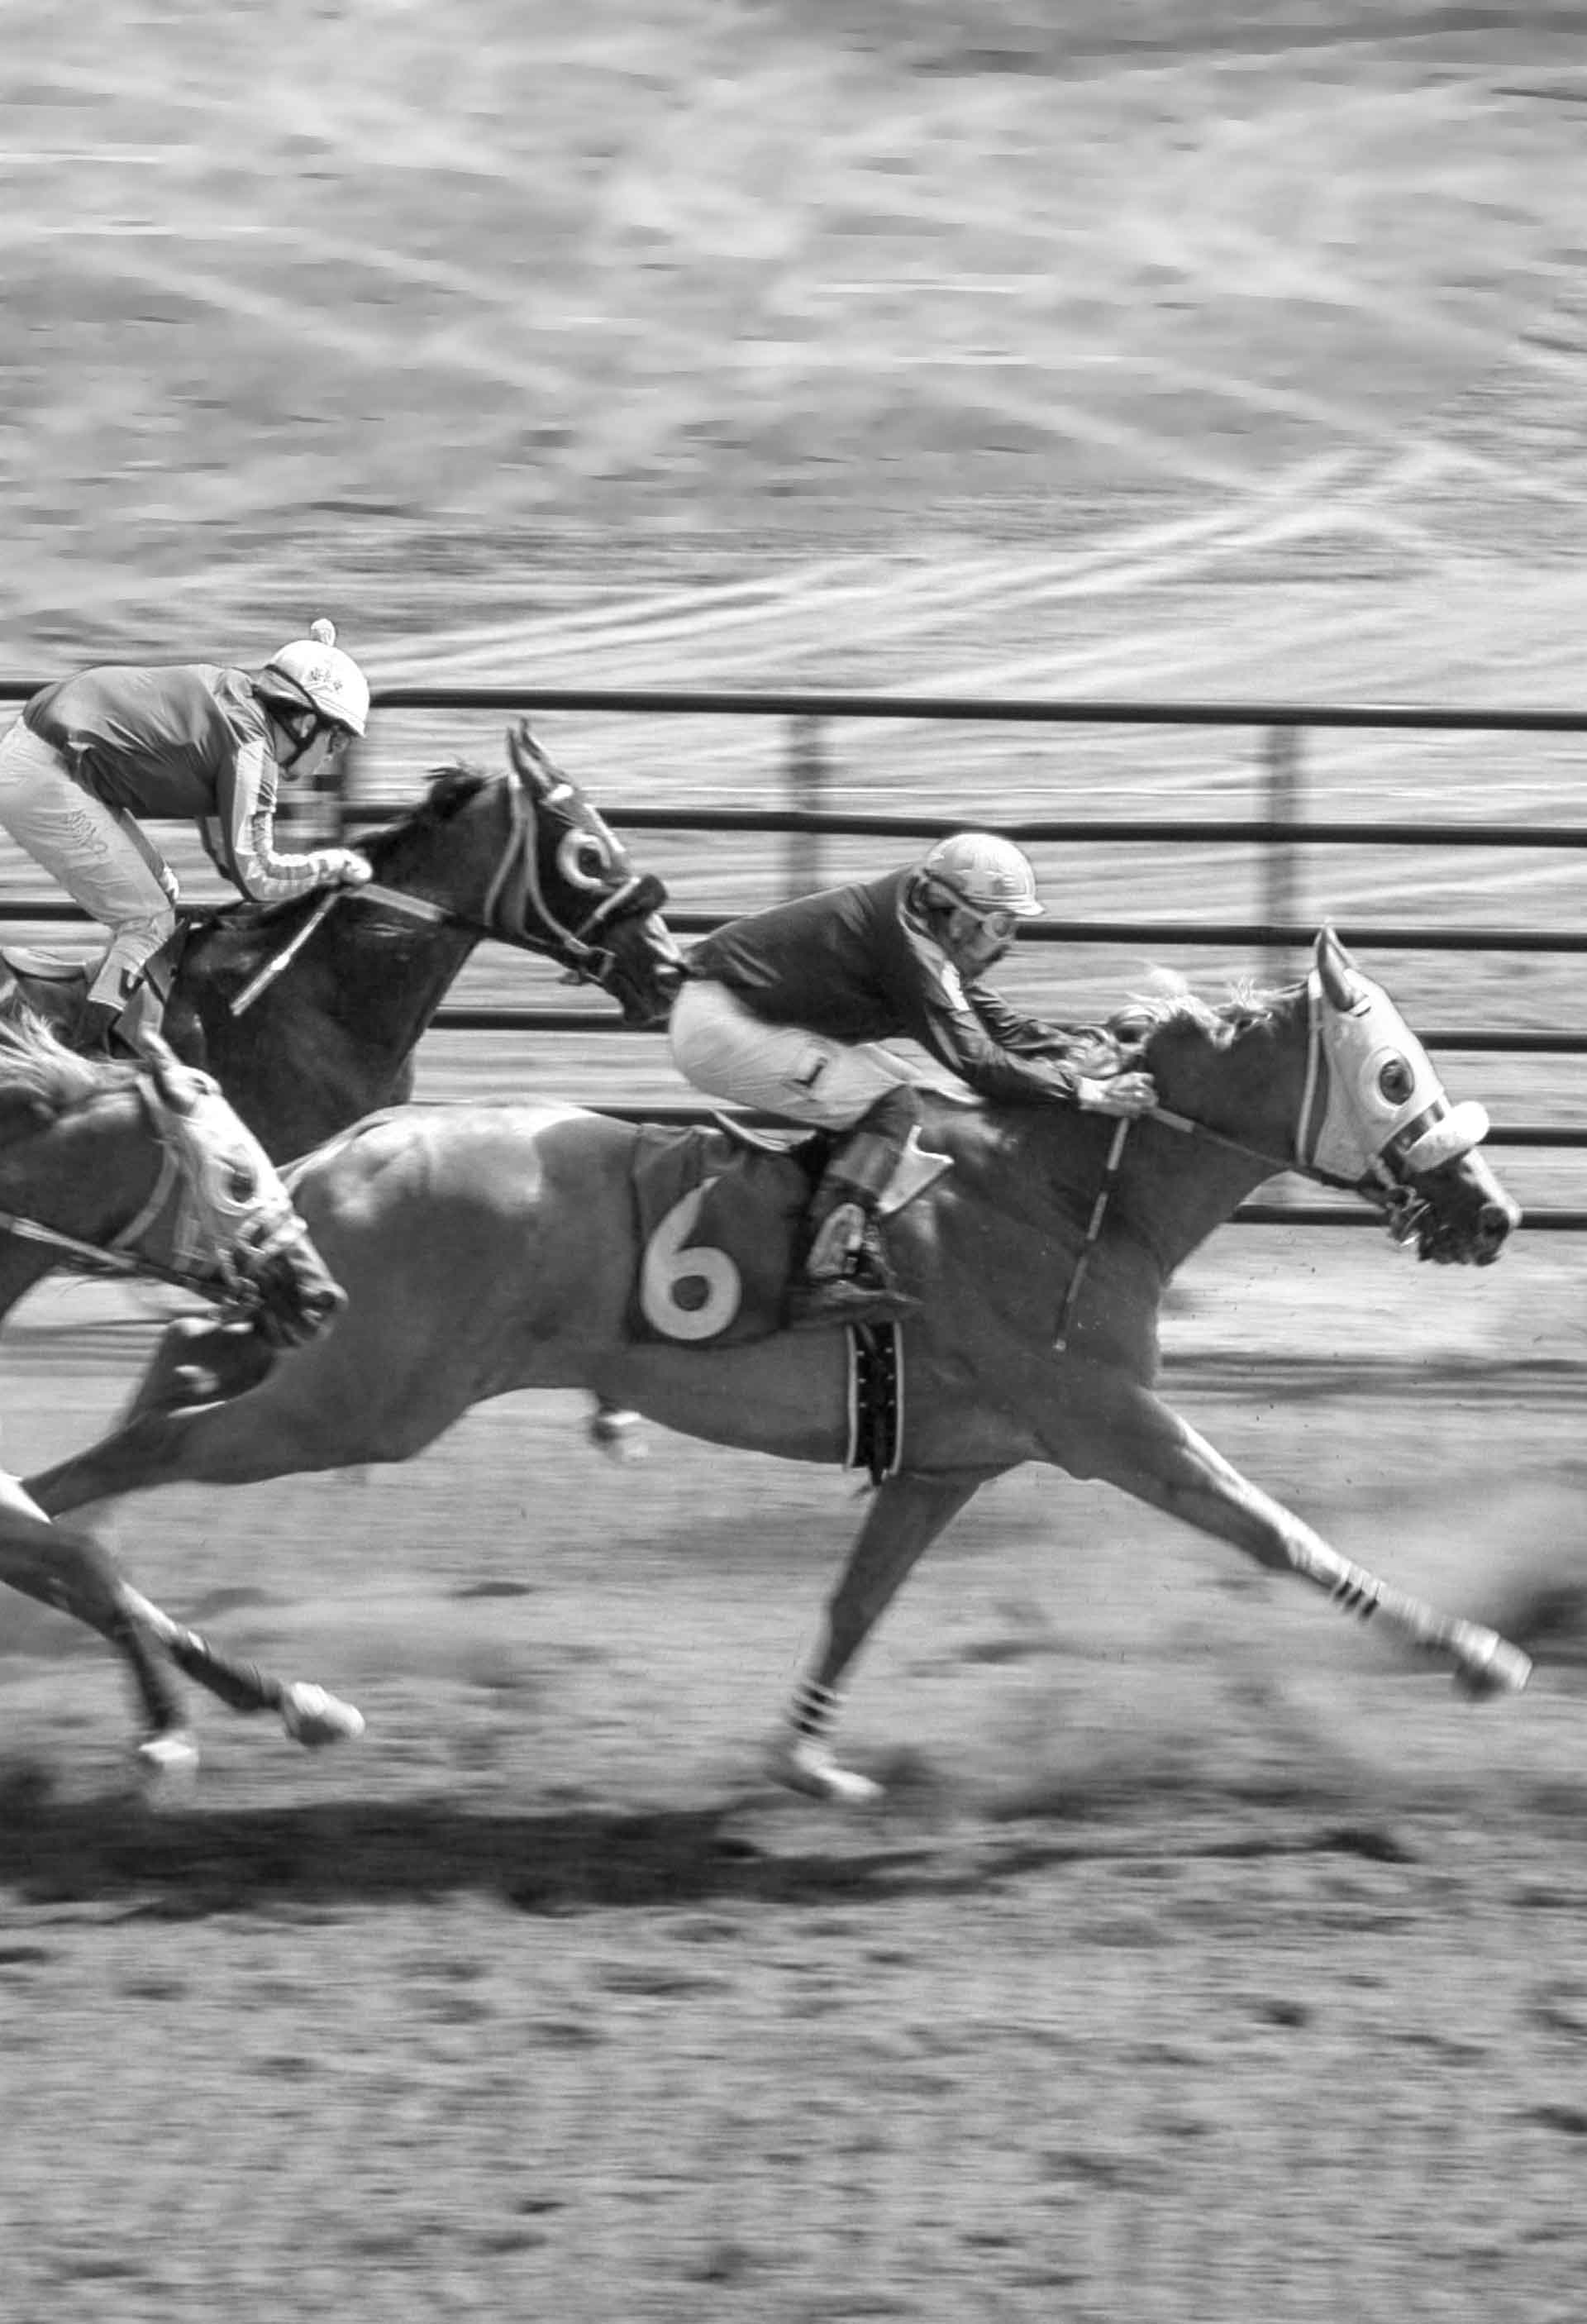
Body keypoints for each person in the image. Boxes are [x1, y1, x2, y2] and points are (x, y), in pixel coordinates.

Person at [669, 829, 1159, 1324]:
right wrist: (1087, 1091)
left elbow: (998, 1024)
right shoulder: (913, 949)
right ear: (960, 916)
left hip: (733, 1015)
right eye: (1002, 924)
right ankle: (822, 1276)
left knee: (906, 1098)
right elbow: (979, 1064)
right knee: (893, 1104)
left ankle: (822, 1225)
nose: (1008, 943)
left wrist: (1089, 1050)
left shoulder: (920, 926)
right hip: (722, 1026)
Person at [0, 618, 376, 1052]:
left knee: (162, 891)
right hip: (47, 775)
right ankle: (85, 1064)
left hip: (53, 760)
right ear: (306, 722)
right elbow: (255, 875)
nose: (331, 757)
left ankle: (73, 1003)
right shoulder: (251, 748)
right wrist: (332, 865)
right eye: (336, 742)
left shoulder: (239, 701)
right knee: (148, 921)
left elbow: (224, 851)